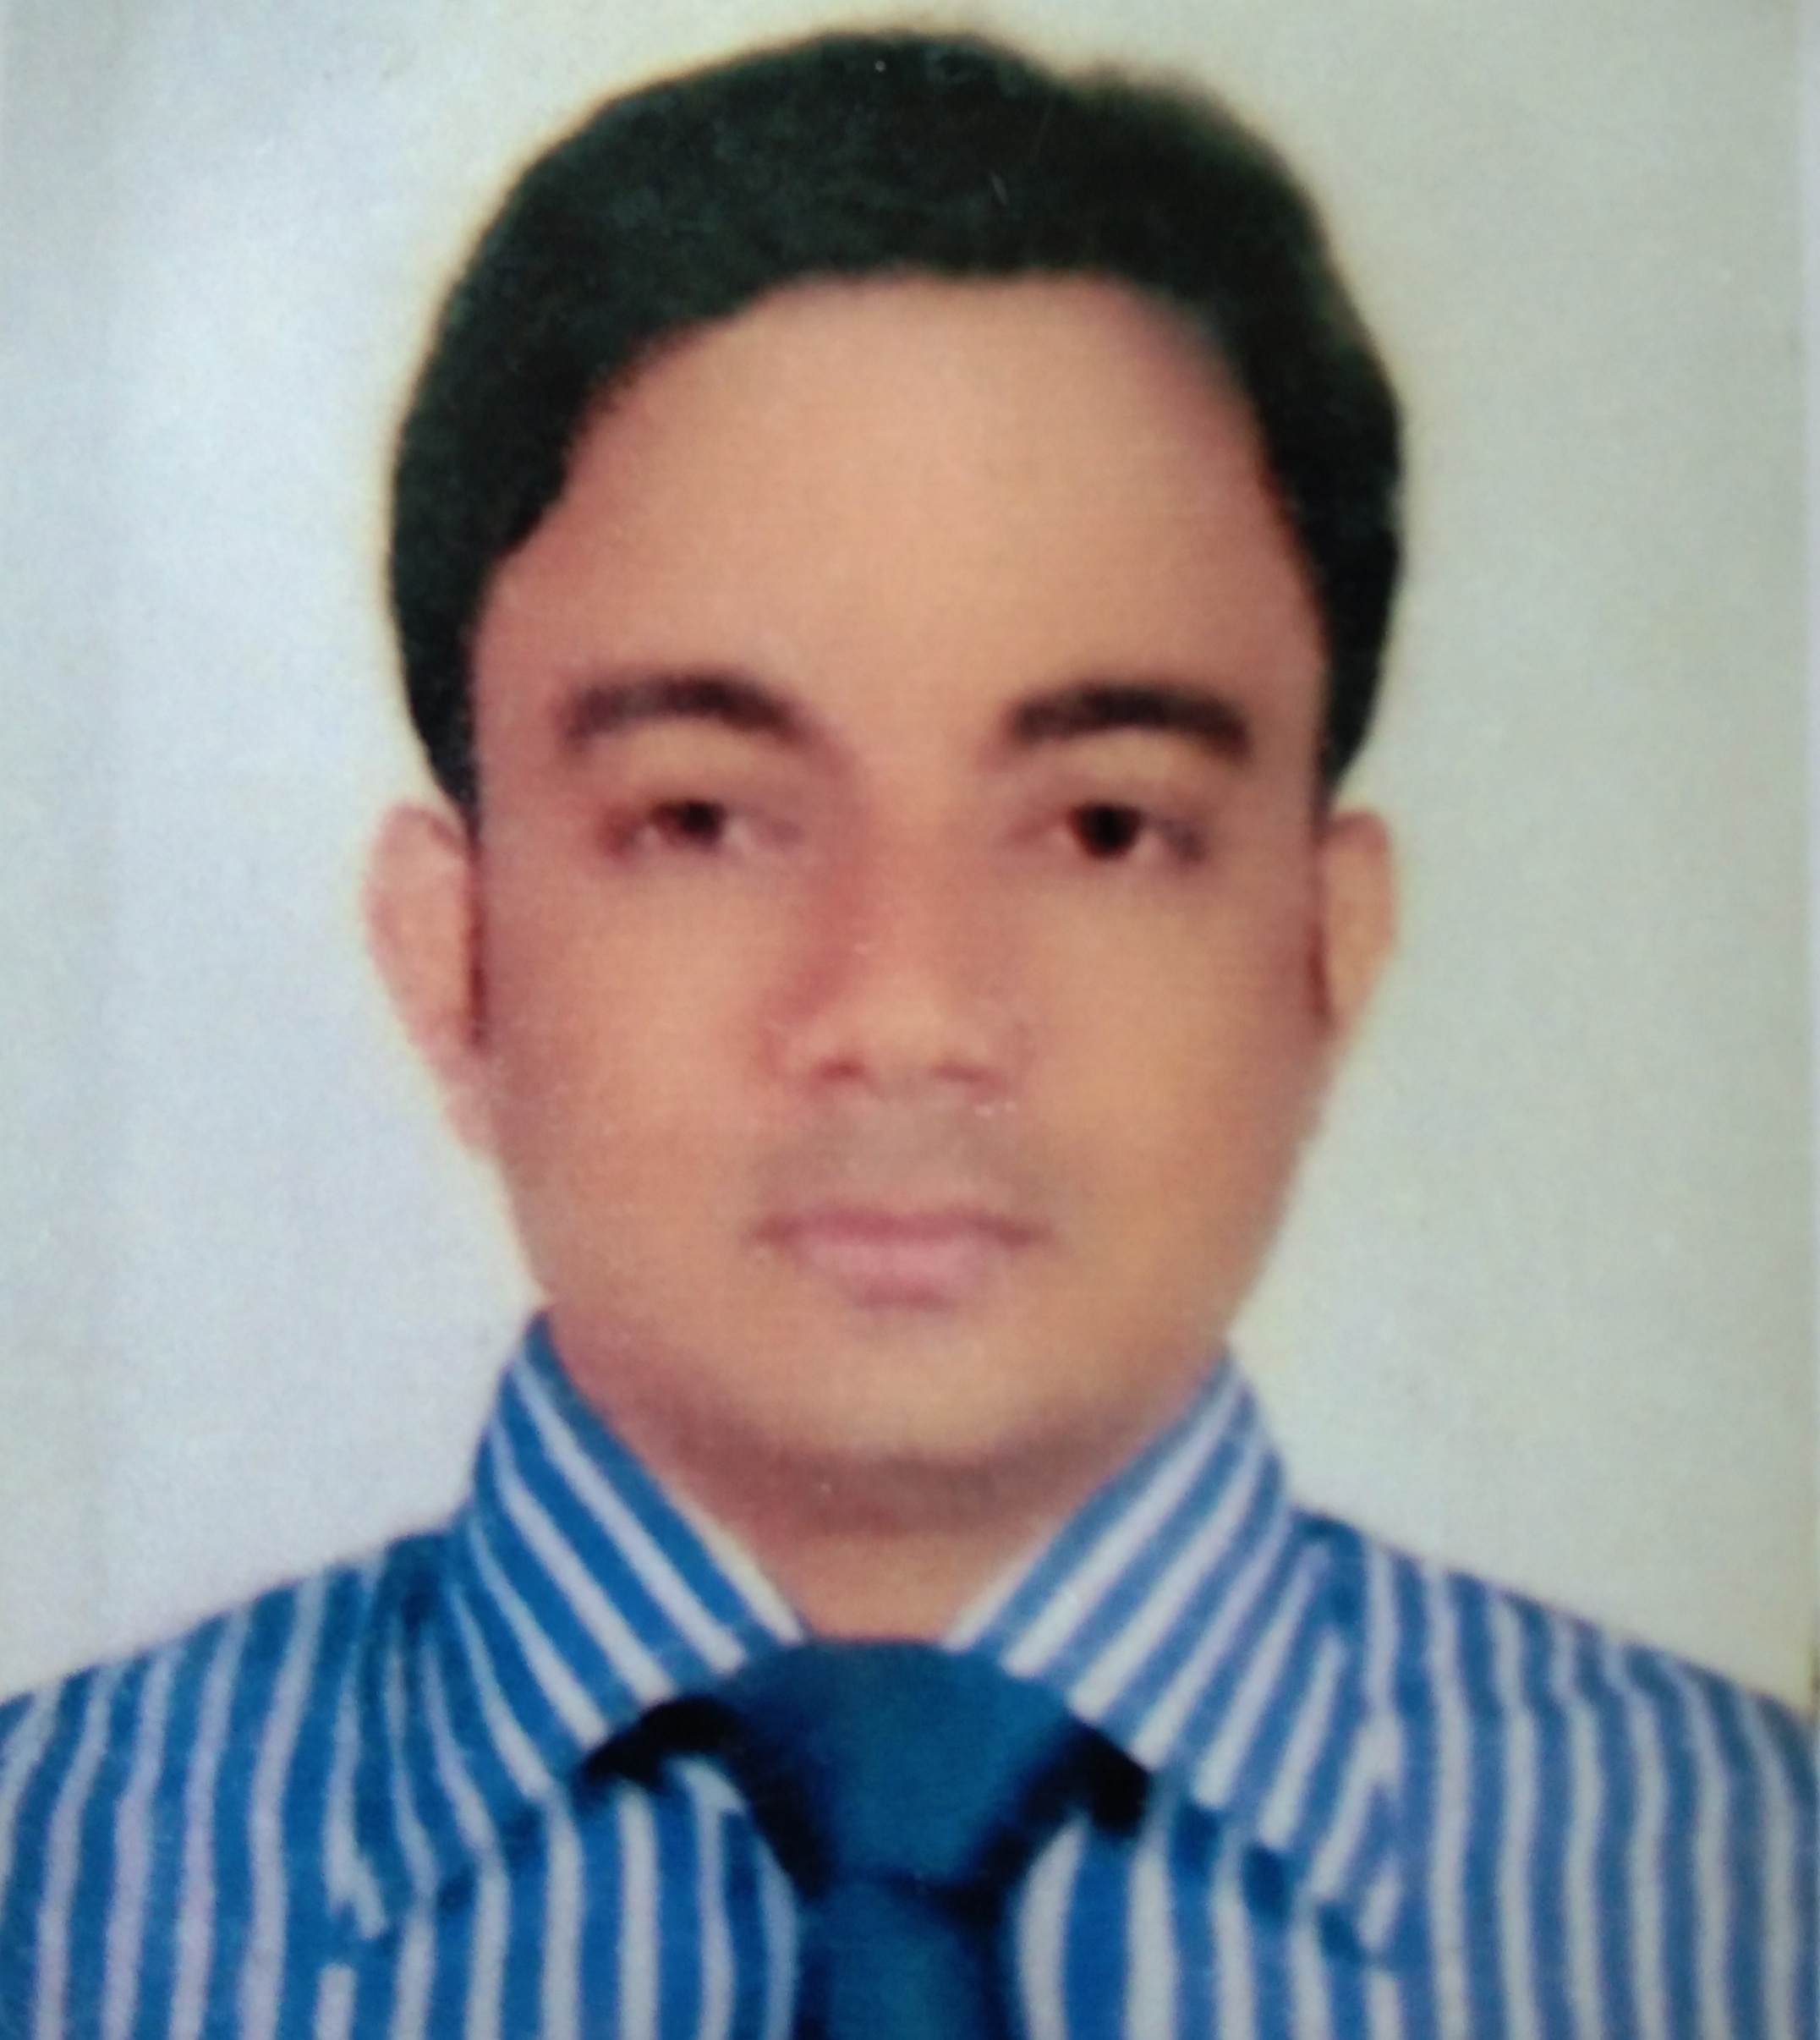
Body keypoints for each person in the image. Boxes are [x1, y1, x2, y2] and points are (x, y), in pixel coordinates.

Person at [0, 26, 1810, 2040]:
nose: (904, 1011)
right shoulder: (47, 1888)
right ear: (453, 951)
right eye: (703, 820)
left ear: (1327, 945)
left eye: (1102, 828)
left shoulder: (1743, 1891)